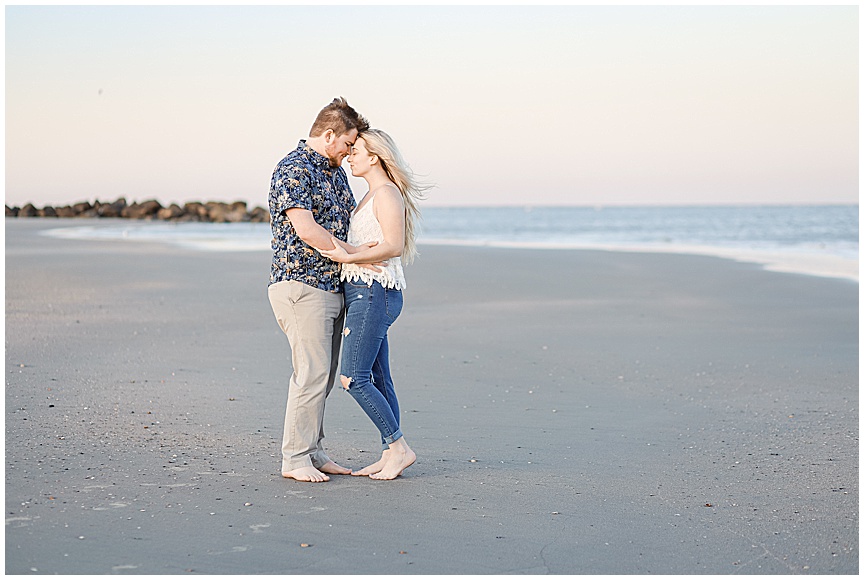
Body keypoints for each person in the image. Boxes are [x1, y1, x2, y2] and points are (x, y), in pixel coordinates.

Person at [267, 97, 373, 483]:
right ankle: (293, 458)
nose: (349, 153)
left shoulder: (335, 172)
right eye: (347, 143)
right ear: (328, 135)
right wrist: (353, 256)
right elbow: (306, 230)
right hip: (301, 285)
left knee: (323, 377)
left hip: (332, 287)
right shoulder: (292, 168)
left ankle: (313, 450)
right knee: (311, 374)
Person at [316, 129, 429, 480]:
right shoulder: (370, 195)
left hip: (374, 292)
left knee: (353, 377)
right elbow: (372, 243)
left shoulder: (386, 193)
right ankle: (389, 452)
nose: (350, 155)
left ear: (375, 156)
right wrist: (355, 253)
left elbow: (393, 245)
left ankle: (399, 447)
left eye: (357, 150)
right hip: (365, 292)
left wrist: (347, 254)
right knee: (379, 377)